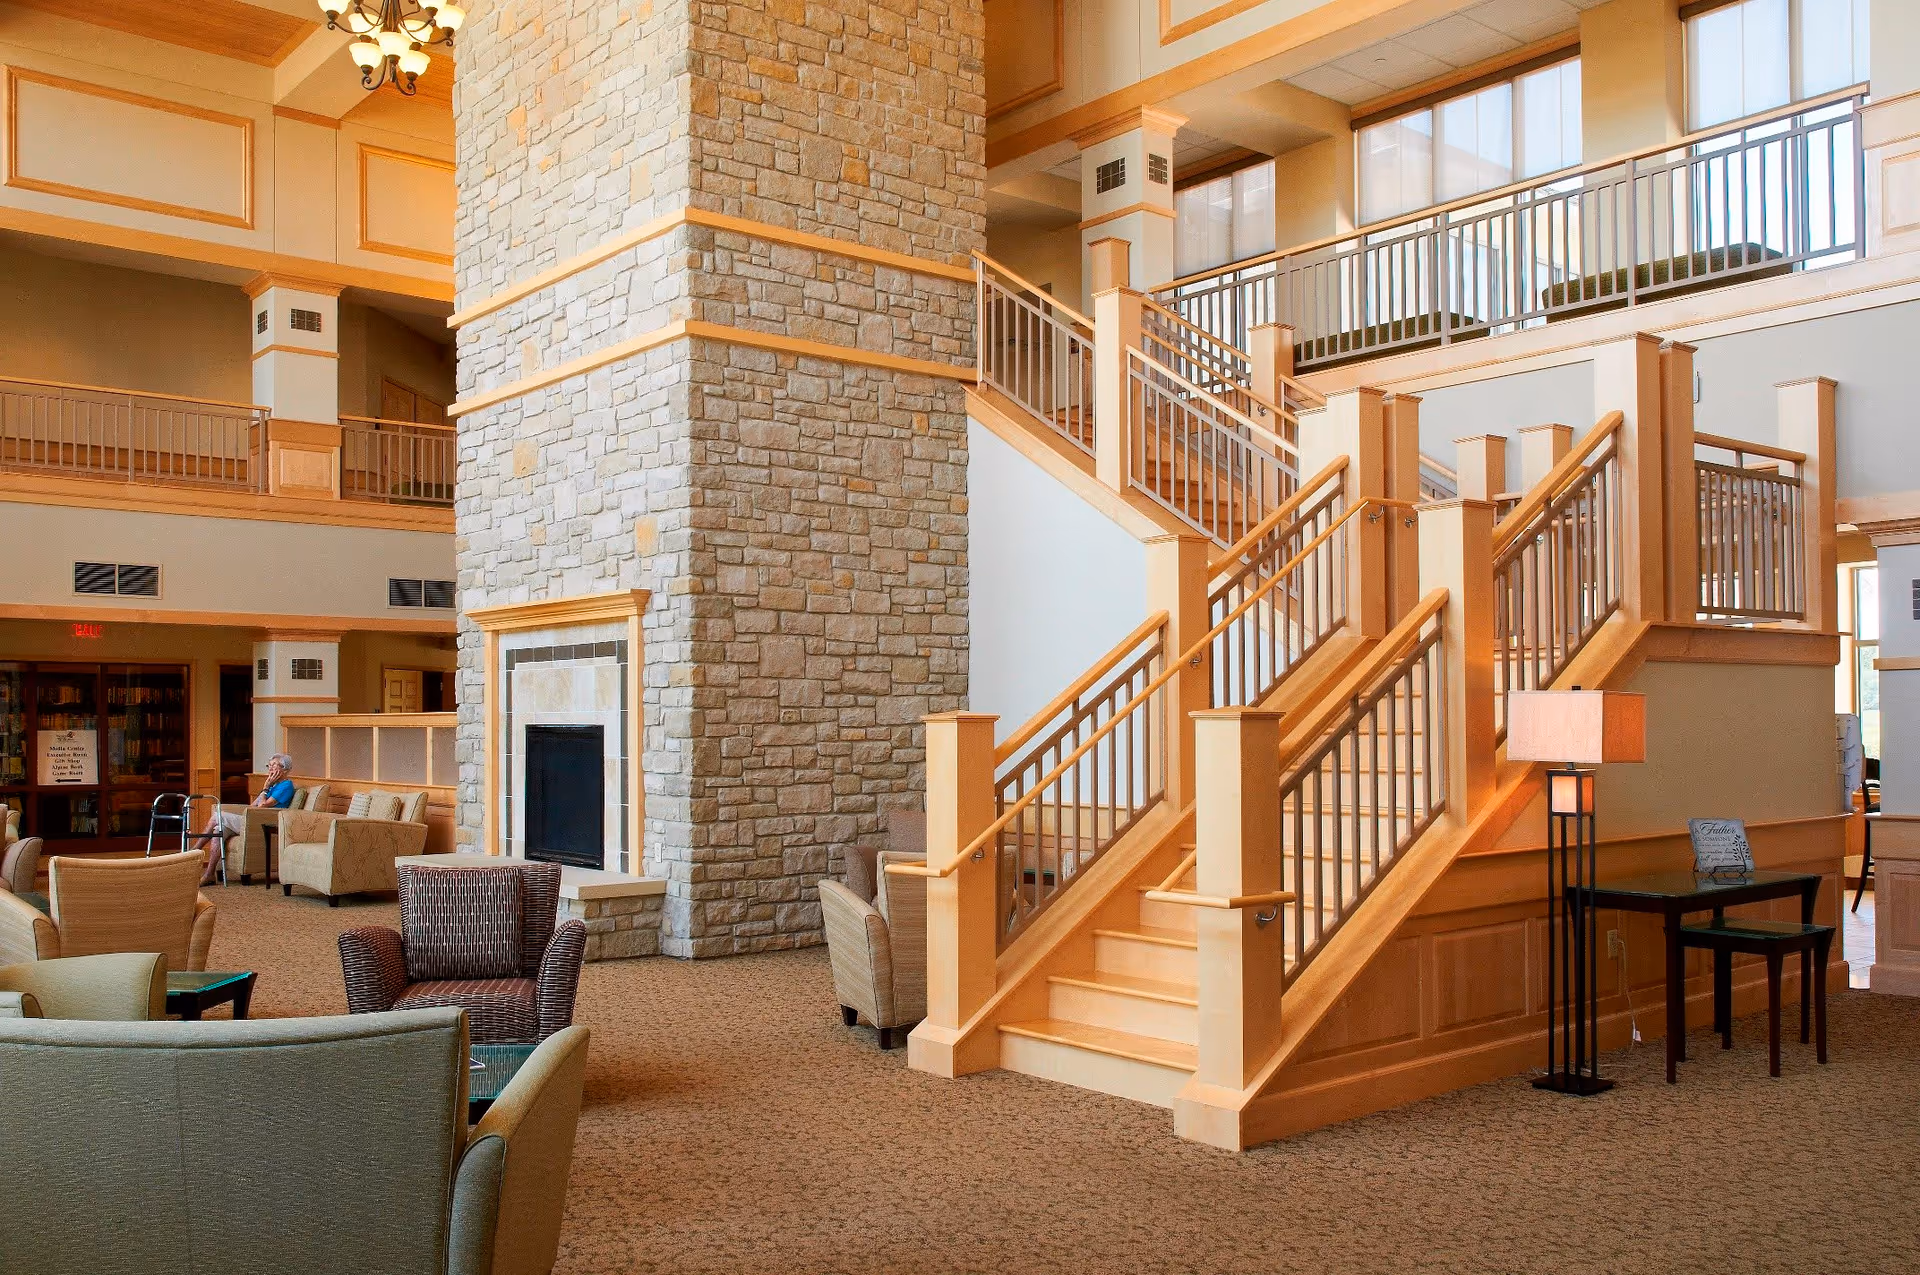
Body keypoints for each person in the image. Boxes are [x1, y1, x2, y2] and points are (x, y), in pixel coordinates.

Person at [191, 754, 297, 886]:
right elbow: (253, 806)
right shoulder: (273, 786)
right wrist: (266, 789)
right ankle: (209, 874)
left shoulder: (286, 785)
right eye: (269, 765)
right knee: (219, 830)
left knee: (217, 816)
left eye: (274, 765)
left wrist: (265, 787)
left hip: (263, 824)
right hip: (252, 819)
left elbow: (263, 805)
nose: (270, 769)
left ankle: (194, 851)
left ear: (285, 769)